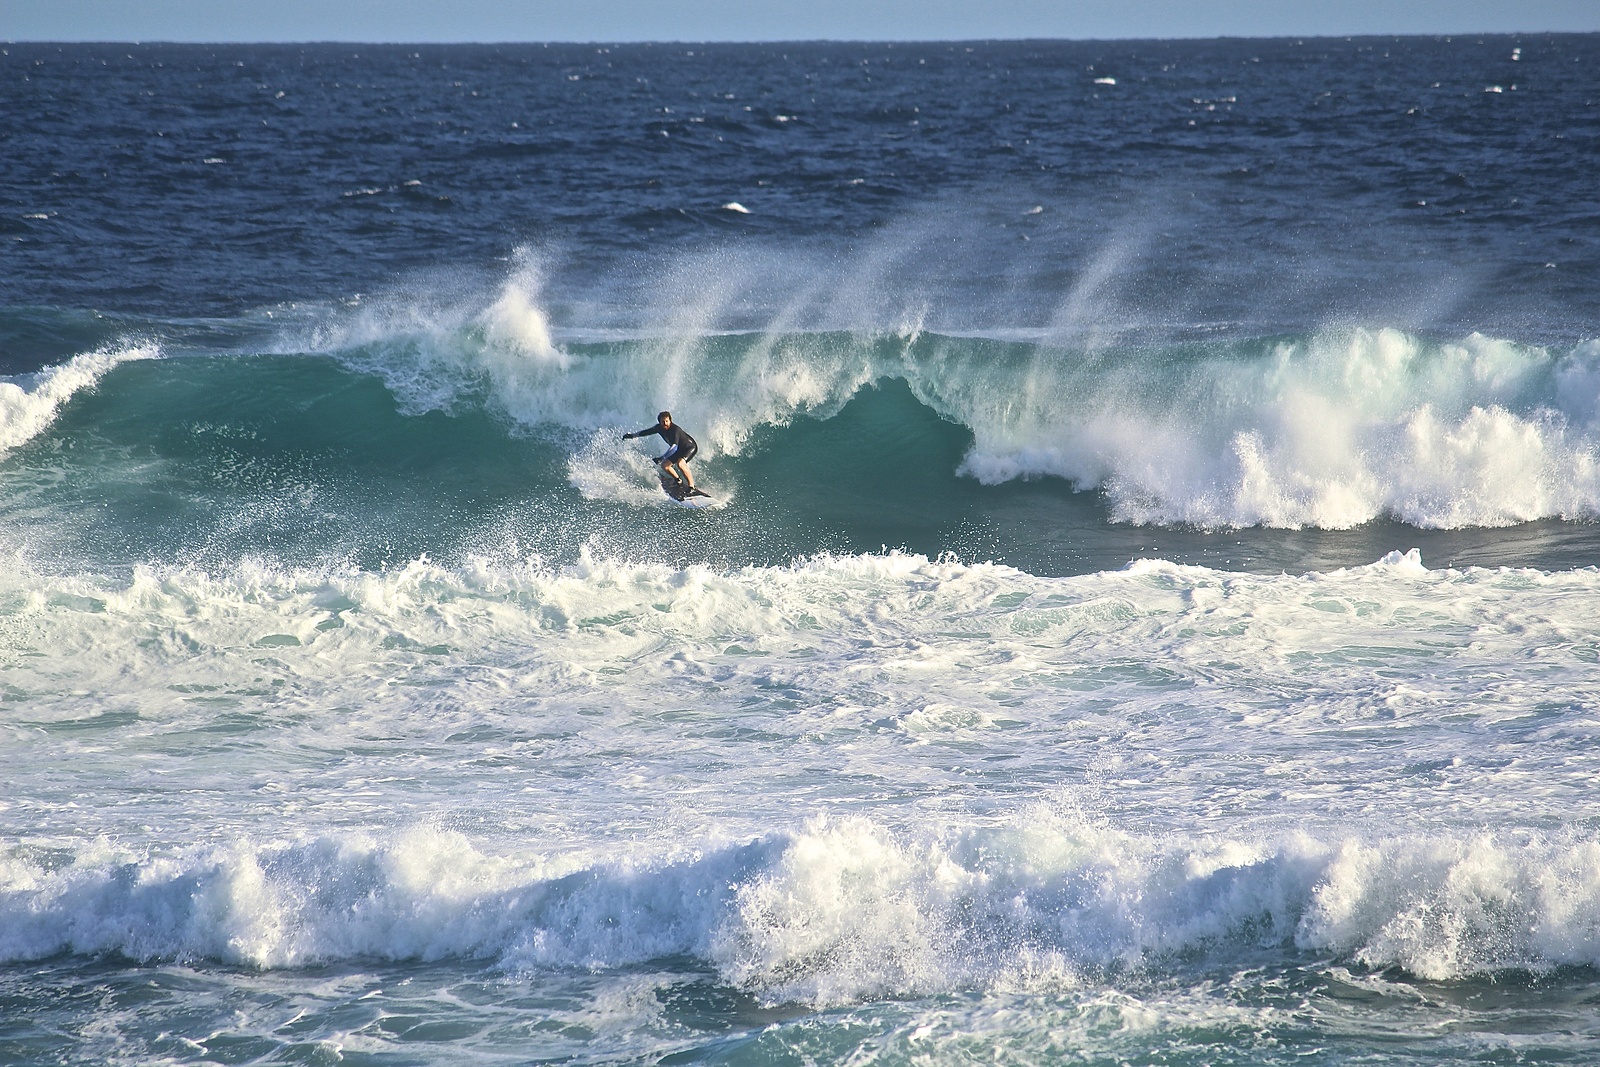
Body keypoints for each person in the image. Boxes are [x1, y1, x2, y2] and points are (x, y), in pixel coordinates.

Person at [622, 411, 705, 496]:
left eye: (667, 421)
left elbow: (674, 447)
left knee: (680, 464)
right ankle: (678, 480)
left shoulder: (675, 430)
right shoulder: (658, 428)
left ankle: (692, 487)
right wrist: (632, 436)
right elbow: (646, 432)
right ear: (659, 422)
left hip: (689, 447)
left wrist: (661, 458)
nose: (665, 423)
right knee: (665, 466)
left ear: (670, 421)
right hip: (679, 449)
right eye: (663, 421)